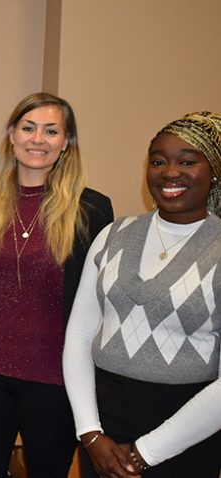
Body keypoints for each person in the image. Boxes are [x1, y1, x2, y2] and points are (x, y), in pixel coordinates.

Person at [0, 92, 114, 478]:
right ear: (11, 135)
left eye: (51, 131)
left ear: (66, 143)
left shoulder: (92, 209)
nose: (38, 139)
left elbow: (100, 304)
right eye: (28, 128)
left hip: (56, 381)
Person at [63, 111, 221, 478]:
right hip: (104, 426)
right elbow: (80, 336)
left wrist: (144, 453)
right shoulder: (112, 236)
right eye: (158, 161)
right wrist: (90, 434)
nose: (169, 172)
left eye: (187, 161)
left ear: (213, 171)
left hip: (187, 433)